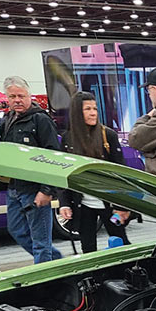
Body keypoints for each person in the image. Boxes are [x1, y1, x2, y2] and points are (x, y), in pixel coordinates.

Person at [0, 75, 63, 263]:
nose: (17, 100)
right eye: (12, 97)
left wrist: (46, 190)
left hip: (35, 189)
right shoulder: (7, 119)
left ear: (29, 96)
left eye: (21, 95)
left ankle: (46, 284)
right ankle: (60, 262)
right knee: (17, 231)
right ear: (7, 98)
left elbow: (53, 156)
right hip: (14, 188)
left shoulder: (40, 120)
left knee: (41, 242)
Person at [58, 91, 130, 253]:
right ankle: (95, 277)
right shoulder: (68, 139)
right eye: (87, 109)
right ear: (77, 112)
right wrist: (64, 202)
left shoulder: (108, 135)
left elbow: (121, 171)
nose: (93, 113)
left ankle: (127, 271)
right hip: (83, 203)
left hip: (110, 202)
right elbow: (64, 172)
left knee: (120, 240)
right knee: (88, 245)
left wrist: (122, 205)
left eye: (95, 108)